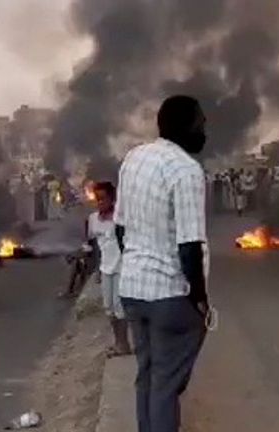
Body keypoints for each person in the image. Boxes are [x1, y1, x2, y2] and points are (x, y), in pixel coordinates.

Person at [115, 95, 209, 432]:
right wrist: (200, 297)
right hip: (169, 294)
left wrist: (137, 262)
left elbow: (120, 228)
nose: (204, 131)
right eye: (201, 124)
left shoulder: (134, 159)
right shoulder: (186, 170)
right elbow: (189, 246)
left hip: (132, 291)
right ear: (186, 126)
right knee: (167, 385)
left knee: (149, 376)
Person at [87, 181, 132, 358]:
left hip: (122, 267)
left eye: (103, 199)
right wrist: (97, 270)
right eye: (97, 199)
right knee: (109, 309)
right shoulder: (92, 220)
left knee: (120, 308)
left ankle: (124, 344)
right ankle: (118, 342)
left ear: (112, 199)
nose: (100, 202)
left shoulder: (120, 219)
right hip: (106, 268)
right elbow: (95, 247)